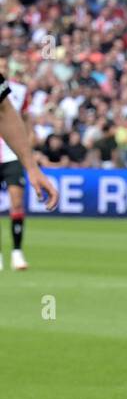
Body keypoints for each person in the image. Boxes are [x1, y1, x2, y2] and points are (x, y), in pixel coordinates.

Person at [0, 71, 59, 271]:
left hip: (10, 156)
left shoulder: (18, 92)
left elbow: (4, 111)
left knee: (16, 203)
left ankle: (16, 252)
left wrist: (32, 167)